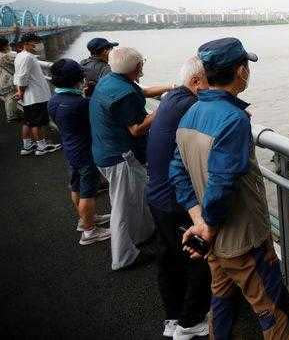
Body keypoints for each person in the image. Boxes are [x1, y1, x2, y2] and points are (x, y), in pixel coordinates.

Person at [170, 38, 289, 340]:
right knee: (274, 310)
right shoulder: (233, 120)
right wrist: (209, 225)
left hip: (212, 240)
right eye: (247, 66)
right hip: (244, 243)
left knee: (221, 298)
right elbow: (222, 182)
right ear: (241, 71)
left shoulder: (190, 113)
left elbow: (176, 170)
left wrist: (199, 220)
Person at [89, 46, 172, 270]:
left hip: (104, 151)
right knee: (122, 206)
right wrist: (164, 109)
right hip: (119, 156)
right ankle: (123, 257)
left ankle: (143, 234)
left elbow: (142, 92)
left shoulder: (111, 81)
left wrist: (173, 87)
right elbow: (137, 129)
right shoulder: (124, 94)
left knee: (136, 195)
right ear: (137, 67)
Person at [146, 56, 211, 339]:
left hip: (158, 194)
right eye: (211, 81)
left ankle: (173, 318)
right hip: (176, 199)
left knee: (169, 259)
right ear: (196, 81)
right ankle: (190, 322)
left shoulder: (172, 99)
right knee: (195, 258)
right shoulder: (191, 106)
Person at [47, 59, 112, 245]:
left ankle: (85, 220)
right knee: (88, 192)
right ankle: (90, 232)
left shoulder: (54, 100)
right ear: (78, 78)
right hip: (85, 152)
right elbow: (96, 120)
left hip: (70, 149)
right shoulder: (79, 104)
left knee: (76, 187)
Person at [13, 33, 61, 155]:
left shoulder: (20, 56)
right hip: (36, 95)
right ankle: (41, 147)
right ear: (26, 43)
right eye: (35, 42)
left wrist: (20, 91)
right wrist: (21, 91)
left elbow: (18, 76)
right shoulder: (27, 57)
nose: (38, 44)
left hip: (30, 96)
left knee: (28, 121)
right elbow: (23, 76)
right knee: (37, 123)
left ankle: (27, 146)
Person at [0, 37, 21, 122]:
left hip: (3, 79)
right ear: (5, 46)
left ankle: (12, 115)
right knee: (10, 97)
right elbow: (18, 62)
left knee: (8, 97)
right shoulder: (8, 55)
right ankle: (11, 117)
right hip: (9, 79)